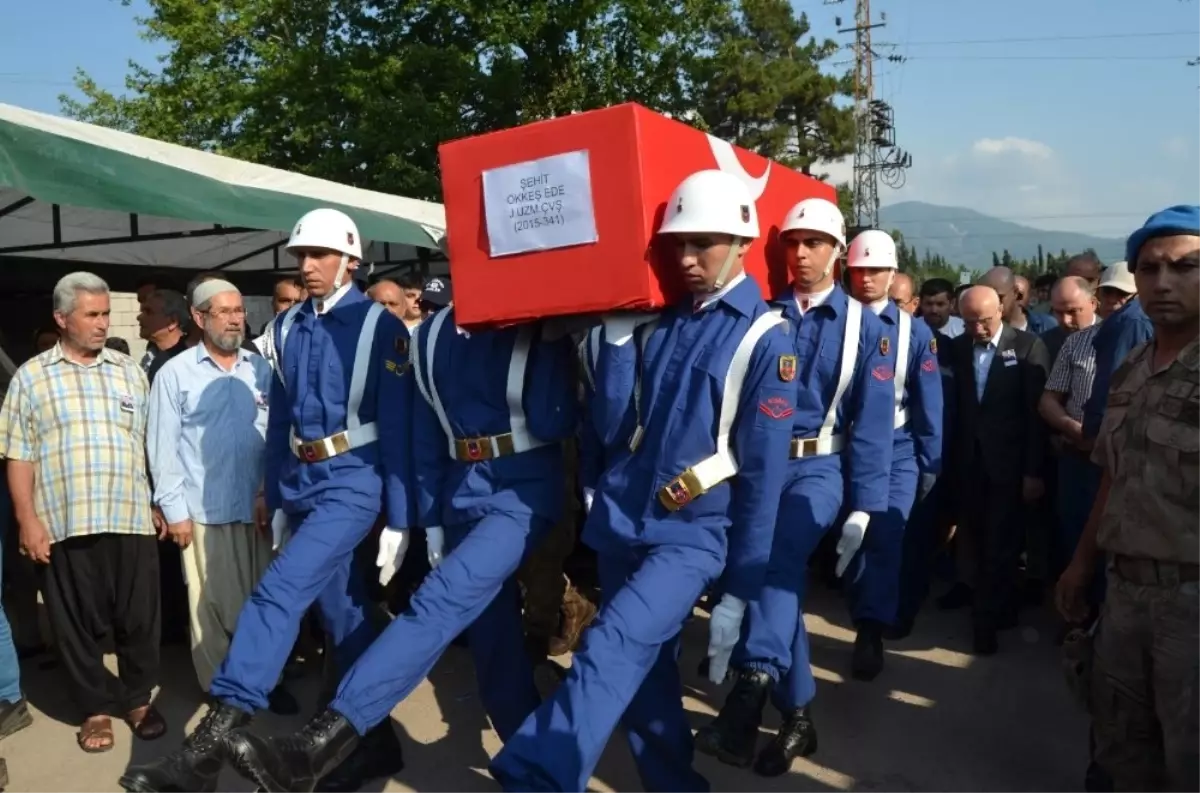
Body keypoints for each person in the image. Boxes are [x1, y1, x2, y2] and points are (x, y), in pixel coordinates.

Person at [487, 169, 795, 793]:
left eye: (701, 242)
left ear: (740, 241)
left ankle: (535, 775)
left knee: (609, 646)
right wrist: (619, 345)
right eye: (677, 243)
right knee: (648, 676)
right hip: (625, 524)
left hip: (692, 534)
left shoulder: (767, 338)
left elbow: (764, 477)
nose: (685, 257)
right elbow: (608, 427)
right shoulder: (662, 322)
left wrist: (742, 588)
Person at [221, 261, 579, 793]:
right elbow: (428, 438)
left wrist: (556, 340)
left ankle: (323, 742)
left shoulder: (526, 328)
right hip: (462, 494)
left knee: (437, 602)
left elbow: (555, 422)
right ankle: (536, 769)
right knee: (493, 641)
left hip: (521, 492)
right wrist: (428, 520)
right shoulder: (432, 334)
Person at [119, 208, 414, 793]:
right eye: (301, 256)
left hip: (355, 480)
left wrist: (401, 516)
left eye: (320, 255)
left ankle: (204, 751)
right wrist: (278, 494)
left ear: (350, 260)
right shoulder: (287, 327)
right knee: (344, 613)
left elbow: (402, 425)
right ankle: (372, 741)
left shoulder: (383, 328)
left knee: (278, 592)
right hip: (303, 484)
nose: (307, 266)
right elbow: (280, 418)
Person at [696, 198, 893, 776]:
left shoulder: (867, 326)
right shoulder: (763, 314)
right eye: (792, 243)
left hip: (818, 469)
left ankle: (751, 685)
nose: (801, 254)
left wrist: (865, 507)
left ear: (837, 251)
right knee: (764, 577)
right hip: (756, 464)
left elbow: (875, 426)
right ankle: (800, 714)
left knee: (774, 562)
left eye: (815, 243)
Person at [1056, 205, 1200, 793]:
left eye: (1187, 267)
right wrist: (1081, 564)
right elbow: (1114, 477)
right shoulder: (1133, 369)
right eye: (1151, 269)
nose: (1165, 282)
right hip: (1124, 593)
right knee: (1122, 747)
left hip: (1191, 605)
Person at [2, 273, 164, 753]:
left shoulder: (128, 370)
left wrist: (158, 499)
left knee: (138, 618)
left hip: (129, 516)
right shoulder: (32, 377)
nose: (101, 324)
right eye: (91, 315)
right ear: (61, 318)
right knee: (75, 622)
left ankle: (137, 699)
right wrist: (27, 520)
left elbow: (150, 445)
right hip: (64, 521)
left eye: (105, 315)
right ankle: (94, 708)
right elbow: (18, 455)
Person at [146, 279, 279, 694]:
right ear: (200, 318)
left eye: (239, 310)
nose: (236, 319)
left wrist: (264, 491)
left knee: (262, 604)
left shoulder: (260, 370)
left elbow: (274, 438)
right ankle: (223, 691)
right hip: (203, 512)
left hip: (256, 509)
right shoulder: (175, 373)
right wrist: (175, 512)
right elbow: (161, 447)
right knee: (212, 608)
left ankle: (260, 682)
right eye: (225, 312)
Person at [842, 230, 942, 679]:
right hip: (837, 447)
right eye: (860, 269)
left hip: (896, 448)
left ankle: (870, 630)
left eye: (877, 269)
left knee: (884, 537)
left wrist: (929, 461)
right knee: (846, 538)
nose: (868, 278)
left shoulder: (913, 333)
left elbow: (929, 402)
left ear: (893, 273)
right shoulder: (831, 319)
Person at [945, 285, 1049, 654]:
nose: (978, 329)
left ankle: (984, 621)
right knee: (974, 537)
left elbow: (1036, 418)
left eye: (984, 321)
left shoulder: (1026, 347)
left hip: (1009, 465)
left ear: (1001, 310)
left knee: (1001, 542)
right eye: (969, 322)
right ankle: (996, 605)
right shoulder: (955, 350)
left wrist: (1034, 471)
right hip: (967, 464)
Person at [253, 276, 306, 369]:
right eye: (285, 300)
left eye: (298, 302)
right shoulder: (256, 348)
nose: (292, 306)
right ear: (273, 303)